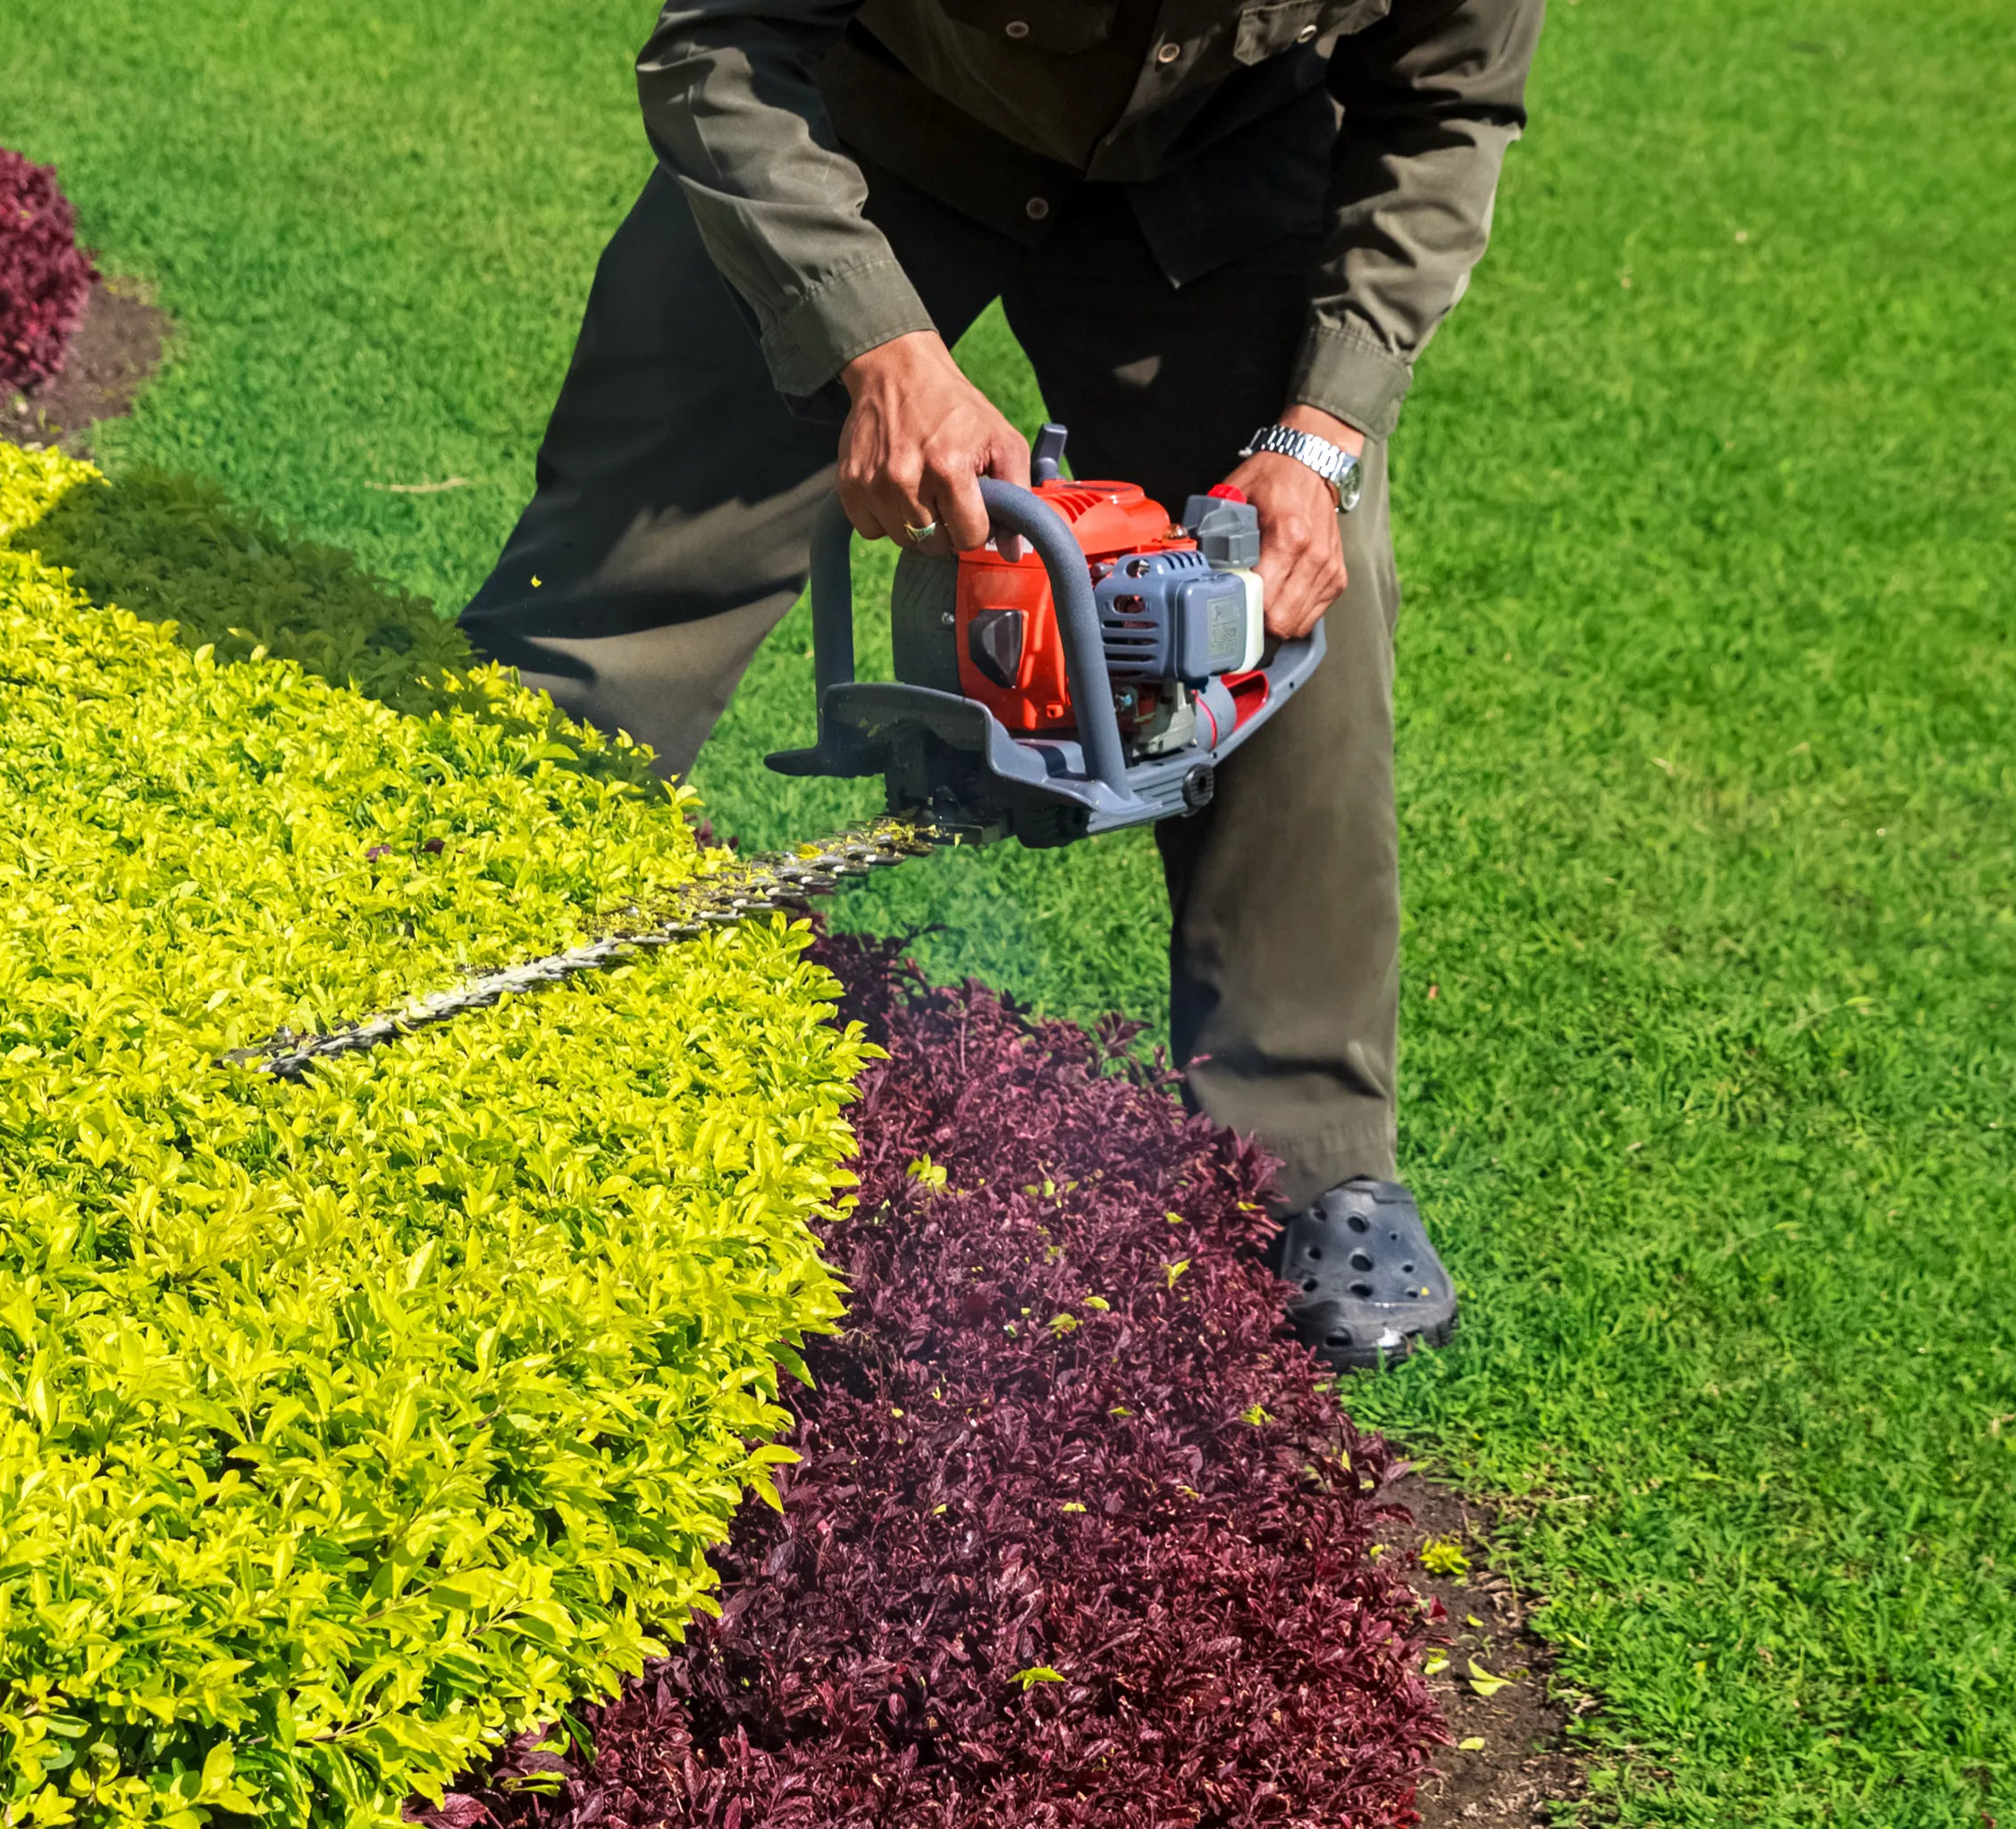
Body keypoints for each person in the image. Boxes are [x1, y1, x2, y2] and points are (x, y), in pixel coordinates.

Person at [459, 0, 1545, 1369]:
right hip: (861, 126)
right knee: (616, 582)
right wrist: (873, 343)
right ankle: (460, 937)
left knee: (1273, 600)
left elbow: (1444, 112)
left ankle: (1315, 1153)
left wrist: (1319, 433)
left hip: (1213, 175)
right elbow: (718, 42)